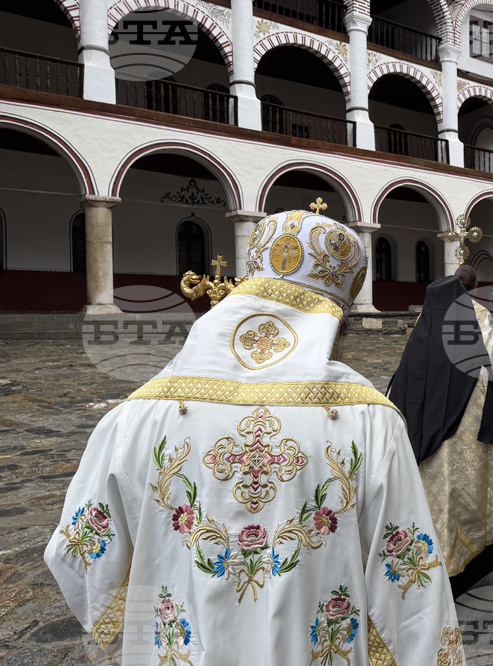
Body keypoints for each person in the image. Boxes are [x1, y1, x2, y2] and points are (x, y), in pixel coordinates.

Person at [46, 209, 465, 664]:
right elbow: (409, 583)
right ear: (333, 321)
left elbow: (78, 555)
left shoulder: (136, 416)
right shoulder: (370, 421)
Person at [387, 267, 493, 598]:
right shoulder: (478, 316)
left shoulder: (423, 327)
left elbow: (405, 380)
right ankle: (487, 558)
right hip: (472, 425)